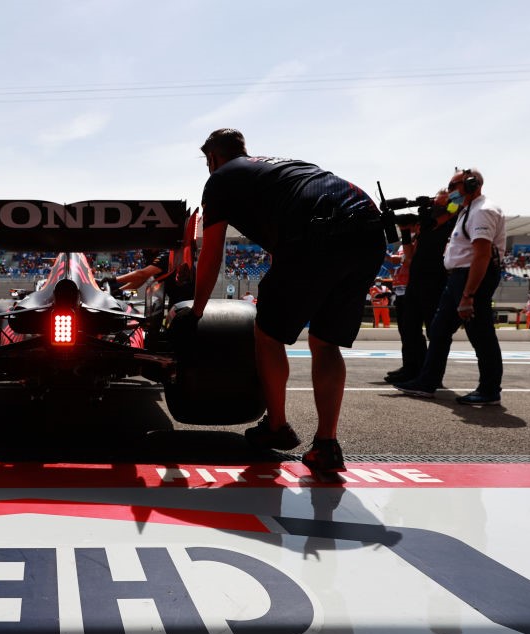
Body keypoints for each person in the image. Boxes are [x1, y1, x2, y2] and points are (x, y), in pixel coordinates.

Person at [189, 128, 385, 473]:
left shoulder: (221, 178)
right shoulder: (281, 166)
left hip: (318, 232)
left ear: (212, 158)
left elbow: (211, 253)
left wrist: (197, 311)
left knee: (268, 335)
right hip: (369, 230)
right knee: (325, 343)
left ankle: (276, 426)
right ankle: (327, 444)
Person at [396, 168, 506, 405]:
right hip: (457, 278)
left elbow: (481, 256)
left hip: (470, 278)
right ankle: (426, 383)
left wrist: (468, 295)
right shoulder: (467, 210)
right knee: (438, 330)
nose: (449, 191)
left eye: (453, 186)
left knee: (481, 335)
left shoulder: (482, 211)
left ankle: (489, 390)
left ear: (470, 184)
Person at [384, 190, 458, 384]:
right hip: (415, 282)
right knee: (408, 328)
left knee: (433, 331)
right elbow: (409, 258)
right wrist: (405, 230)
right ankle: (412, 368)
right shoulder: (426, 227)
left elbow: (451, 210)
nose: (433, 202)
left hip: (434, 281)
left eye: (437, 200)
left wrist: (441, 203)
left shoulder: (449, 218)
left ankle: (429, 374)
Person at [102, 249, 194, 305]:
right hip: (175, 296)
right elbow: (141, 279)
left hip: (185, 297)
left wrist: (113, 280)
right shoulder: (151, 256)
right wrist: (120, 291)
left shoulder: (165, 255)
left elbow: (141, 274)